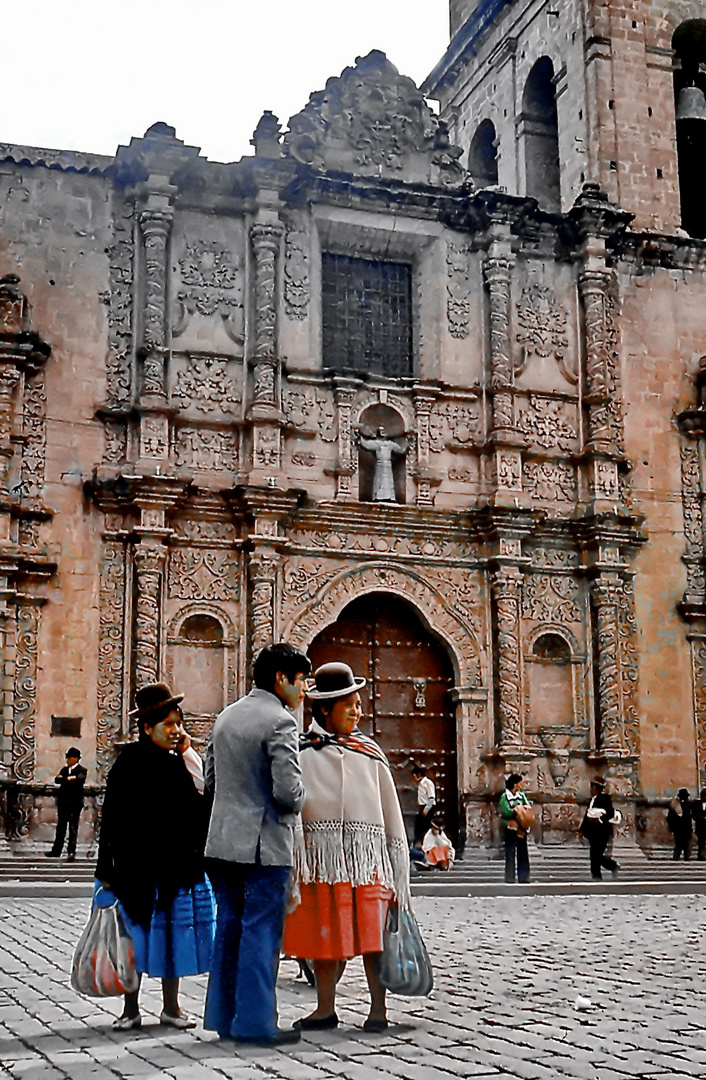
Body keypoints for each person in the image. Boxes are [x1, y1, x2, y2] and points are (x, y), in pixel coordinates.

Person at [283, 662, 411, 1033]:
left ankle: (378, 1008)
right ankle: (325, 1007)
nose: (358, 711)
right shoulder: (301, 753)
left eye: (358, 704)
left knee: (373, 937)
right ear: (325, 709)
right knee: (323, 936)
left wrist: (394, 860)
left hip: (367, 861)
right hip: (320, 862)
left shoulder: (369, 753)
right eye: (350, 705)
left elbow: (388, 810)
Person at [203, 642, 310, 1047]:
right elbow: (287, 793)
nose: (303, 691)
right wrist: (303, 794)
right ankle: (257, 1022)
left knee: (229, 927)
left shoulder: (225, 717)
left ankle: (224, 1016)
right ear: (281, 678)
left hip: (222, 842)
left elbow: (210, 783)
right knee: (262, 931)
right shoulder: (281, 722)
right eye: (301, 682)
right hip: (265, 845)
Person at [95, 682, 215, 1031]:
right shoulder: (128, 764)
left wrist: (190, 753)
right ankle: (130, 1008)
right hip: (137, 871)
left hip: (177, 869)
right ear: (147, 728)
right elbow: (112, 819)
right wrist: (106, 868)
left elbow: (202, 797)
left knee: (172, 938)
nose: (176, 731)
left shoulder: (178, 762)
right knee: (134, 940)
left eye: (179, 723)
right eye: (169, 724)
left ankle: (171, 1007)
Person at [46, 747, 87, 861]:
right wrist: (68, 779)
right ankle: (56, 851)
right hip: (63, 802)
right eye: (67, 757)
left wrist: (66, 780)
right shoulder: (64, 770)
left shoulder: (81, 770)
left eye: (70, 757)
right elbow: (57, 780)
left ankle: (71, 852)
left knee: (73, 828)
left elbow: (78, 780)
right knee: (61, 827)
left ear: (76, 759)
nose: (68, 759)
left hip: (75, 803)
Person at [579, 776, 620, 880]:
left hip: (602, 831)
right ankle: (596, 876)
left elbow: (610, 813)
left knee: (597, 855)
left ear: (596, 788)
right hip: (593, 832)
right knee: (594, 855)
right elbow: (587, 816)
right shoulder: (592, 800)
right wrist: (581, 830)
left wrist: (600, 819)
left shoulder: (605, 798)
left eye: (592, 787)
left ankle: (611, 866)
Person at [358, 427, 408, 502]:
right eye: (381, 431)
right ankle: (378, 496)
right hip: (379, 464)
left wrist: (407, 441)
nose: (383, 432)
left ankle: (389, 496)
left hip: (388, 465)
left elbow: (400, 450)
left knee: (388, 480)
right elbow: (365, 444)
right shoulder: (376, 443)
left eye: (384, 431)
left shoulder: (390, 444)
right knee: (379, 479)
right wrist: (358, 436)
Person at [499, 773, 531, 884]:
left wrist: (522, 810)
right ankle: (510, 876)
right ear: (515, 784)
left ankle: (524, 876)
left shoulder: (521, 796)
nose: (522, 785)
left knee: (523, 852)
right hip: (511, 827)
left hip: (521, 827)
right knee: (510, 852)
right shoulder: (505, 797)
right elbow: (505, 811)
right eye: (520, 783)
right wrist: (517, 810)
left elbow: (527, 806)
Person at [412, 764, 436, 846]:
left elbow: (431, 798)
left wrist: (426, 810)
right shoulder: (421, 784)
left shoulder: (428, 783)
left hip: (427, 809)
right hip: (423, 808)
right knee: (419, 828)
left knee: (425, 828)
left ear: (418, 775)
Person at [667, 788, 693, 860]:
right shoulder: (684, 806)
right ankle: (682, 858)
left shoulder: (684, 806)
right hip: (681, 829)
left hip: (681, 829)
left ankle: (679, 858)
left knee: (681, 846)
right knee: (682, 846)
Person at [692, 788, 706, 861]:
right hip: (700, 826)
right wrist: (700, 818)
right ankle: (701, 856)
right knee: (701, 842)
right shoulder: (696, 804)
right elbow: (694, 814)